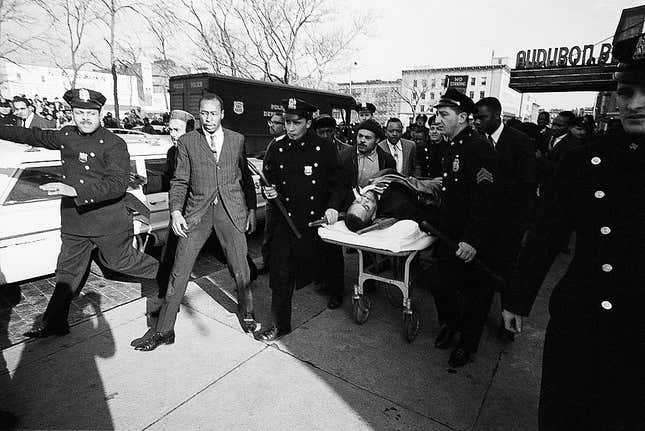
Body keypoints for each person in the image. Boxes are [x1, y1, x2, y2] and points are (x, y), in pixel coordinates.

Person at [501, 35, 645, 430]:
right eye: (626, 91)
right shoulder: (585, 160)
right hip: (581, 317)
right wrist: (518, 298)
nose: (634, 103)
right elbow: (546, 232)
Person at [0, 88, 161, 338]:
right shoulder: (67, 135)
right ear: (72, 113)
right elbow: (31, 135)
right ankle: (55, 323)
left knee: (120, 262)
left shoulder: (113, 144)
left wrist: (73, 189)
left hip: (108, 220)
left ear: (99, 114)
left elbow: (117, 183)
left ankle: (171, 275)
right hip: (75, 221)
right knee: (67, 273)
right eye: (79, 112)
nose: (85, 118)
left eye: (90, 113)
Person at [136, 94, 258, 351]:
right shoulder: (188, 142)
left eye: (213, 114)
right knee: (179, 271)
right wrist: (176, 212)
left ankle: (247, 314)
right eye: (204, 114)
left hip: (231, 211)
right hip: (196, 213)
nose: (208, 119)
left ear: (222, 114)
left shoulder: (237, 140)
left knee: (241, 269)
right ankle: (164, 330)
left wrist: (250, 209)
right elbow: (179, 181)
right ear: (199, 114)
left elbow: (244, 177)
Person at [256, 98, 345, 341]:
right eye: (287, 122)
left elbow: (338, 184)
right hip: (286, 221)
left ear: (308, 122)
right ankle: (280, 324)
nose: (290, 128)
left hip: (316, 222)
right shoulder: (277, 147)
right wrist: (269, 191)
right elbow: (269, 178)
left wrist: (333, 207)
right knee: (280, 276)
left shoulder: (324, 148)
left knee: (328, 265)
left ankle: (338, 293)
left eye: (296, 123)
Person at [429, 88, 500, 367]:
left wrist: (472, 239)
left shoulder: (477, 146)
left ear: (463, 117)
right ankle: (450, 323)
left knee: (475, 295)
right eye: (438, 113)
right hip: (450, 233)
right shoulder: (453, 145)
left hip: (470, 237)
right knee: (439, 284)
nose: (438, 119)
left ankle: (466, 344)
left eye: (444, 114)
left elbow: (486, 198)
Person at [474, 97, 536, 341]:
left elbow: (527, 185)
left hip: (510, 223)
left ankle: (506, 320)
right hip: (483, 222)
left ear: (498, 116)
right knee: (482, 275)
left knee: (507, 273)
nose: (479, 122)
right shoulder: (477, 142)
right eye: (476, 117)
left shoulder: (520, 142)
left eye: (484, 117)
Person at [344, 170, 441, 232]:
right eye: (366, 206)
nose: (364, 199)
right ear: (373, 216)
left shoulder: (368, 189)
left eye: (358, 202)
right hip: (437, 189)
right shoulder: (397, 204)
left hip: (426, 181)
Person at [339, 119, 395, 204]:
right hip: (348, 207)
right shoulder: (344, 157)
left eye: (367, 138)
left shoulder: (386, 160)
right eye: (360, 136)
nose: (362, 140)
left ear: (377, 140)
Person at [259, 112, 286, 274]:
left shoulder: (284, 145)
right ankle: (268, 262)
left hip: (281, 198)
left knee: (278, 233)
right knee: (269, 233)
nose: (271, 125)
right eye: (271, 121)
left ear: (284, 126)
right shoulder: (274, 143)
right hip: (271, 198)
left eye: (276, 123)